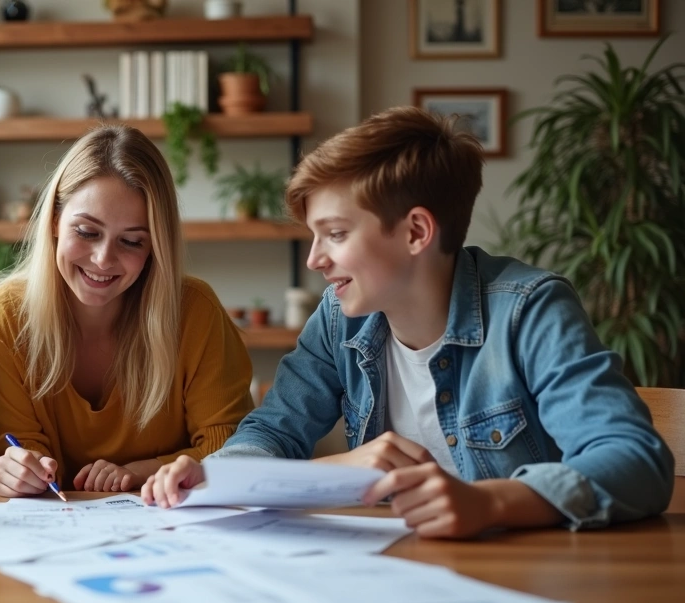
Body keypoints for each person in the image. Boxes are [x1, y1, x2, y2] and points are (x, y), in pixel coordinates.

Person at [143, 107, 675, 538]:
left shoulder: (529, 311)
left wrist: (490, 503)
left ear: (416, 232)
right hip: (395, 574)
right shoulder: (338, 320)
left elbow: (635, 461)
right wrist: (220, 472)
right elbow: (272, 430)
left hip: (532, 580)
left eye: (334, 233)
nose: (315, 260)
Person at [0, 124, 254, 496]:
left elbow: (234, 451)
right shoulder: (7, 314)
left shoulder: (195, 310)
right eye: (87, 232)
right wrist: (17, 471)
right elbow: (18, 446)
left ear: (155, 247)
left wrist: (142, 471)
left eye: (131, 241)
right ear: (55, 222)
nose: (103, 259)